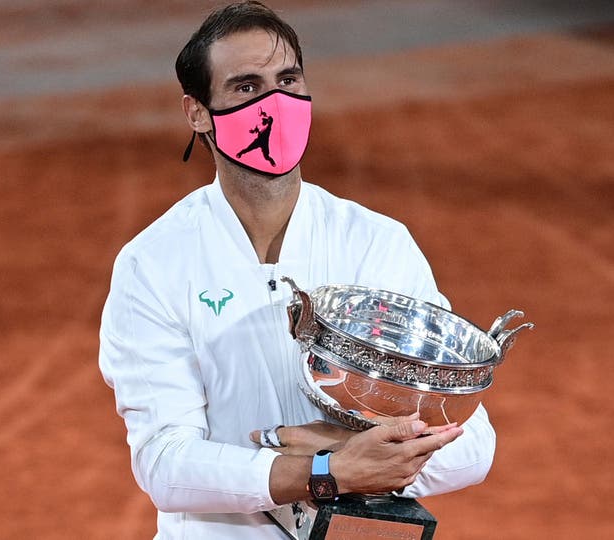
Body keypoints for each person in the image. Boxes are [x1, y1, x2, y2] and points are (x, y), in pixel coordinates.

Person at [98, 2, 496, 538]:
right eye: (246, 87)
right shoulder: (154, 264)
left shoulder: (376, 243)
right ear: (197, 113)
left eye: (287, 80)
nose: (274, 103)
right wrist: (327, 472)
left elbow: (472, 446)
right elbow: (166, 464)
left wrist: (342, 451)